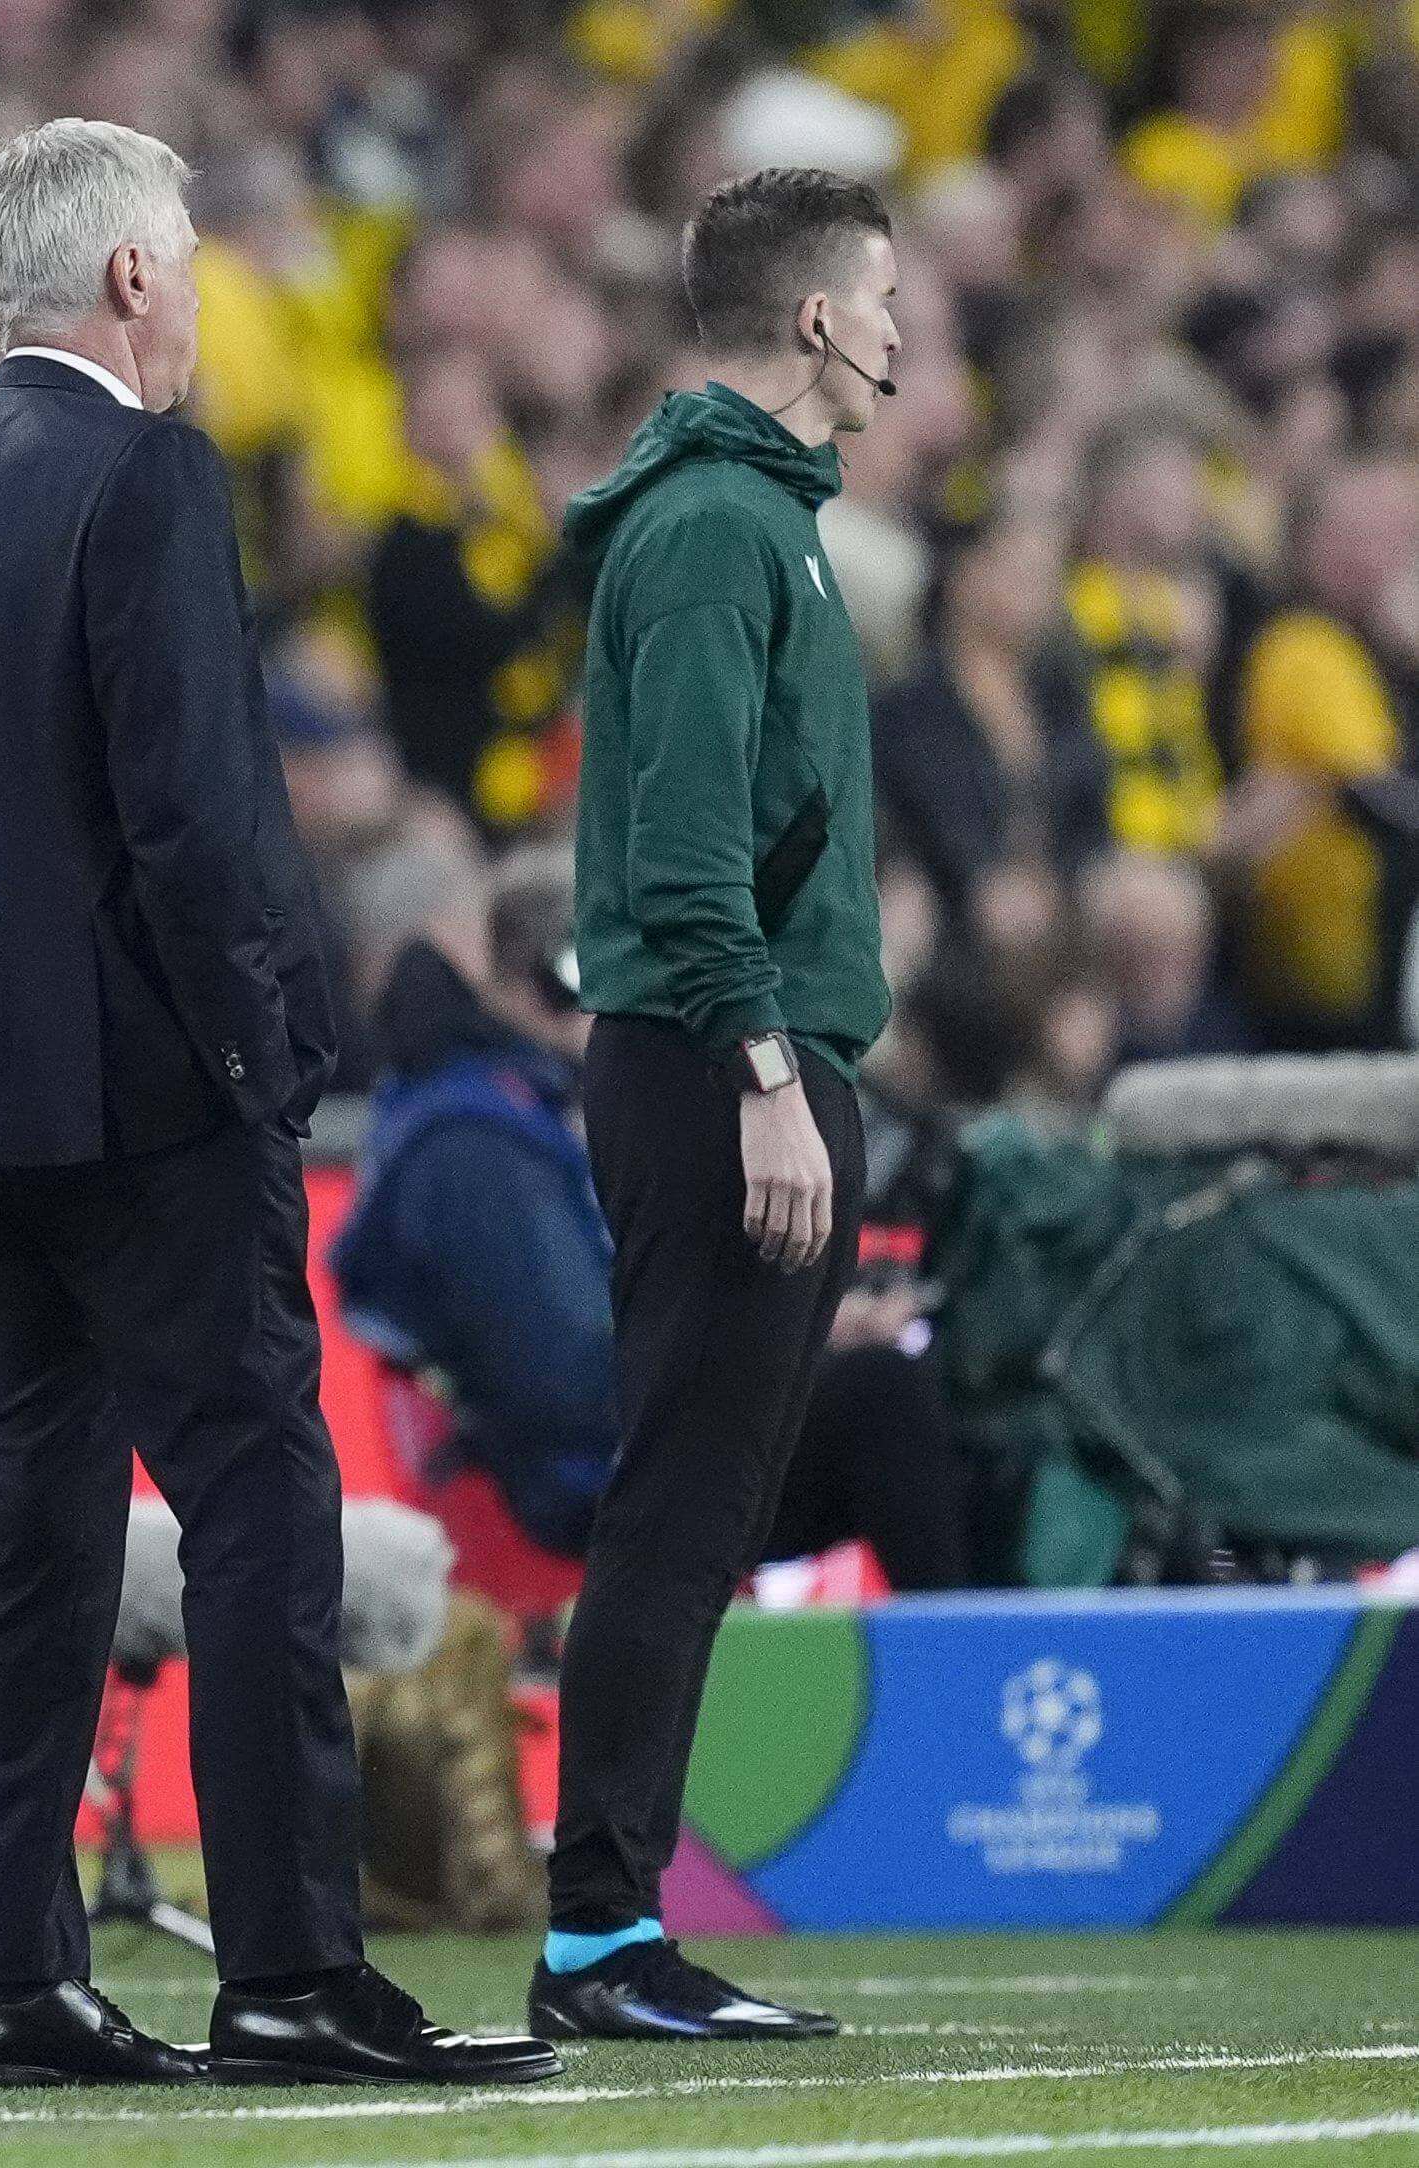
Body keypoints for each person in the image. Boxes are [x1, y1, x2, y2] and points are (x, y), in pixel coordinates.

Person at [0, 116, 561, 2093]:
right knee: (254, 1510)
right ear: (137, 277)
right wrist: (272, 1053)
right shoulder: (142, 471)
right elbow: (200, 813)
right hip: (148, 1091)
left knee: (36, 1524)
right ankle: (295, 1968)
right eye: (195, 263)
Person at [536, 167, 898, 2044]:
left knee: (702, 1501)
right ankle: (598, 1931)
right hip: (714, 1064)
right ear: (819, 321)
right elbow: (685, 854)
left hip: (740, 1054)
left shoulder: (758, 522)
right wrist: (766, 1073)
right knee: (679, 1501)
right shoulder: (711, 532)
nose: (903, 331)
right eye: (884, 298)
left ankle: (612, 1919)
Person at [332, 855, 971, 1592]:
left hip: (618, 1451)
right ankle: (972, 1681)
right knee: (882, 1399)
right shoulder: (474, 1142)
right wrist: (775, 1346)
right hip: (587, 1487)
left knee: (938, 1399)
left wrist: (800, 1331)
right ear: (565, 975)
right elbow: (572, 1375)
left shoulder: (508, 1111)